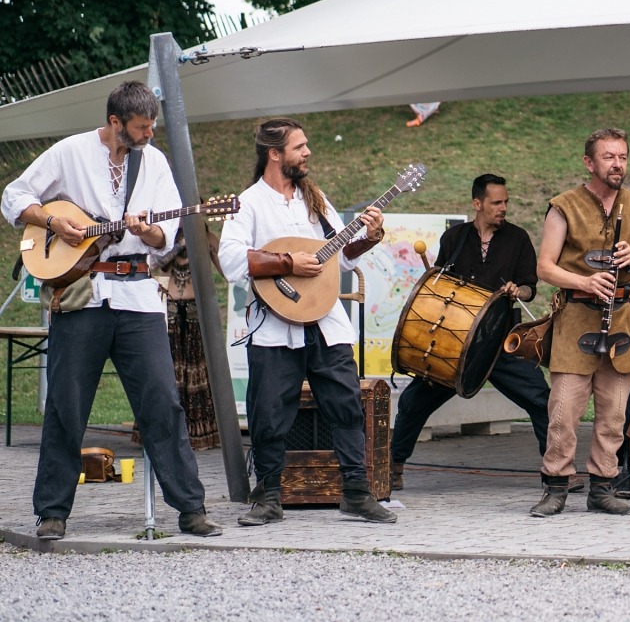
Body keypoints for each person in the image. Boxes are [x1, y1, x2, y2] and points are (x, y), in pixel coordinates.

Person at [2, 80, 223, 540]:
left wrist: (149, 234)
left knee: (162, 403)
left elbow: (168, 239)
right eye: (141, 127)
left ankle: (191, 509)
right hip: (82, 294)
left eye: (152, 126)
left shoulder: (155, 163)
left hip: (138, 297)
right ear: (115, 122)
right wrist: (51, 220)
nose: (149, 134)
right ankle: (52, 513)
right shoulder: (70, 152)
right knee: (67, 404)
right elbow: (14, 195)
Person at [218, 118, 396, 526]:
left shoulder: (314, 199)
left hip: (326, 322)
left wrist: (369, 236)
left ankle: (355, 492)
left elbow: (341, 256)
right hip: (274, 325)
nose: (308, 152)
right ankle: (269, 498)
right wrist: (285, 262)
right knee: (269, 413)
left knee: (347, 407)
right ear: (274, 154)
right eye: (300, 147)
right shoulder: (248, 203)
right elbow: (229, 260)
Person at [530, 128, 630, 517]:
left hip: (621, 319)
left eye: (622, 156)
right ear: (589, 162)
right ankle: (556, 485)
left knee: (614, 412)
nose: (617, 164)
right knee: (564, 410)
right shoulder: (564, 206)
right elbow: (544, 267)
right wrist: (585, 281)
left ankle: (602, 488)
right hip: (576, 317)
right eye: (608, 157)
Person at [389, 174, 549, 490]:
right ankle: (393, 467)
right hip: (456, 344)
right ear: (478, 203)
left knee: (542, 401)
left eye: (506, 202)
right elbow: (438, 287)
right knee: (412, 403)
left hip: (502, 342)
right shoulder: (454, 238)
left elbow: (531, 287)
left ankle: (556, 471)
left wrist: (520, 291)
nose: (503, 208)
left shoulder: (517, 238)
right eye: (496, 202)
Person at [144, 228, 221, 450]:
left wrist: (206, 242)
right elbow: (149, 265)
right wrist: (178, 245)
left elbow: (228, 270)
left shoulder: (205, 236)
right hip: (166, 310)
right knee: (166, 374)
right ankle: (163, 433)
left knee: (198, 374)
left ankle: (199, 434)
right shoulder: (161, 234)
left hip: (196, 312)